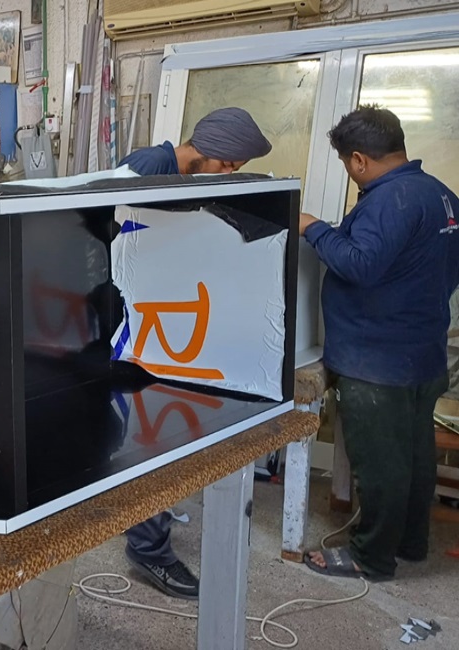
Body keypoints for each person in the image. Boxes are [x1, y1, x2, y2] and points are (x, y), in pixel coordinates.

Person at [116, 106, 273, 600]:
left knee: (162, 434)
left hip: (170, 322)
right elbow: (117, 237)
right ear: (207, 151)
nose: (229, 174)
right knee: (149, 437)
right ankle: (149, 549)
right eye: (227, 165)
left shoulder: (190, 177)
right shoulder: (148, 167)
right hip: (141, 324)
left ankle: (147, 523)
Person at [300, 105, 459, 581]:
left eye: (347, 165)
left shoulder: (390, 199)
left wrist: (314, 227)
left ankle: (370, 557)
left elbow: (361, 264)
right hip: (421, 351)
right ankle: (409, 542)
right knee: (414, 454)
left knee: (380, 463)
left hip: (377, 360)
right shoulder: (441, 195)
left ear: (359, 160)